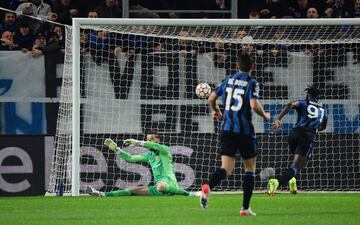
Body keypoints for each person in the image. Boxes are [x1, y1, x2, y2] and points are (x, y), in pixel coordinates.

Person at [200, 53, 271, 216]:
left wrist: (218, 112)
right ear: (252, 67)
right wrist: (265, 115)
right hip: (244, 131)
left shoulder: (228, 79)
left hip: (226, 129)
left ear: (237, 66)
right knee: (250, 168)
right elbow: (254, 105)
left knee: (226, 168)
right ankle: (245, 208)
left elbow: (211, 98)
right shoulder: (252, 82)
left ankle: (207, 187)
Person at [88, 131, 197, 197]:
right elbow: (130, 158)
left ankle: (189, 194)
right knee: (133, 190)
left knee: (162, 186)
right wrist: (117, 149)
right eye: (148, 140)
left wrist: (138, 142)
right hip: (157, 188)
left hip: (169, 184)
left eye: (152, 139)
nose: (150, 141)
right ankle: (102, 194)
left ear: (158, 140)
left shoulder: (164, 149)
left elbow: (156, 147)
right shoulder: (149, 155)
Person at [267, 86, 328, 196]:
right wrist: (315, 127)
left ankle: (292, 181)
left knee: (296, 161)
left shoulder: (304, 102)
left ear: (307, 95)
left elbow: (291, 104)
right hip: (308, 135)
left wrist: (278, 119)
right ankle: (276, 181)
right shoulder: (323, 109)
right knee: (296, 166)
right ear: (318, 97)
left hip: (294, 133)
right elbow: (323, 126)